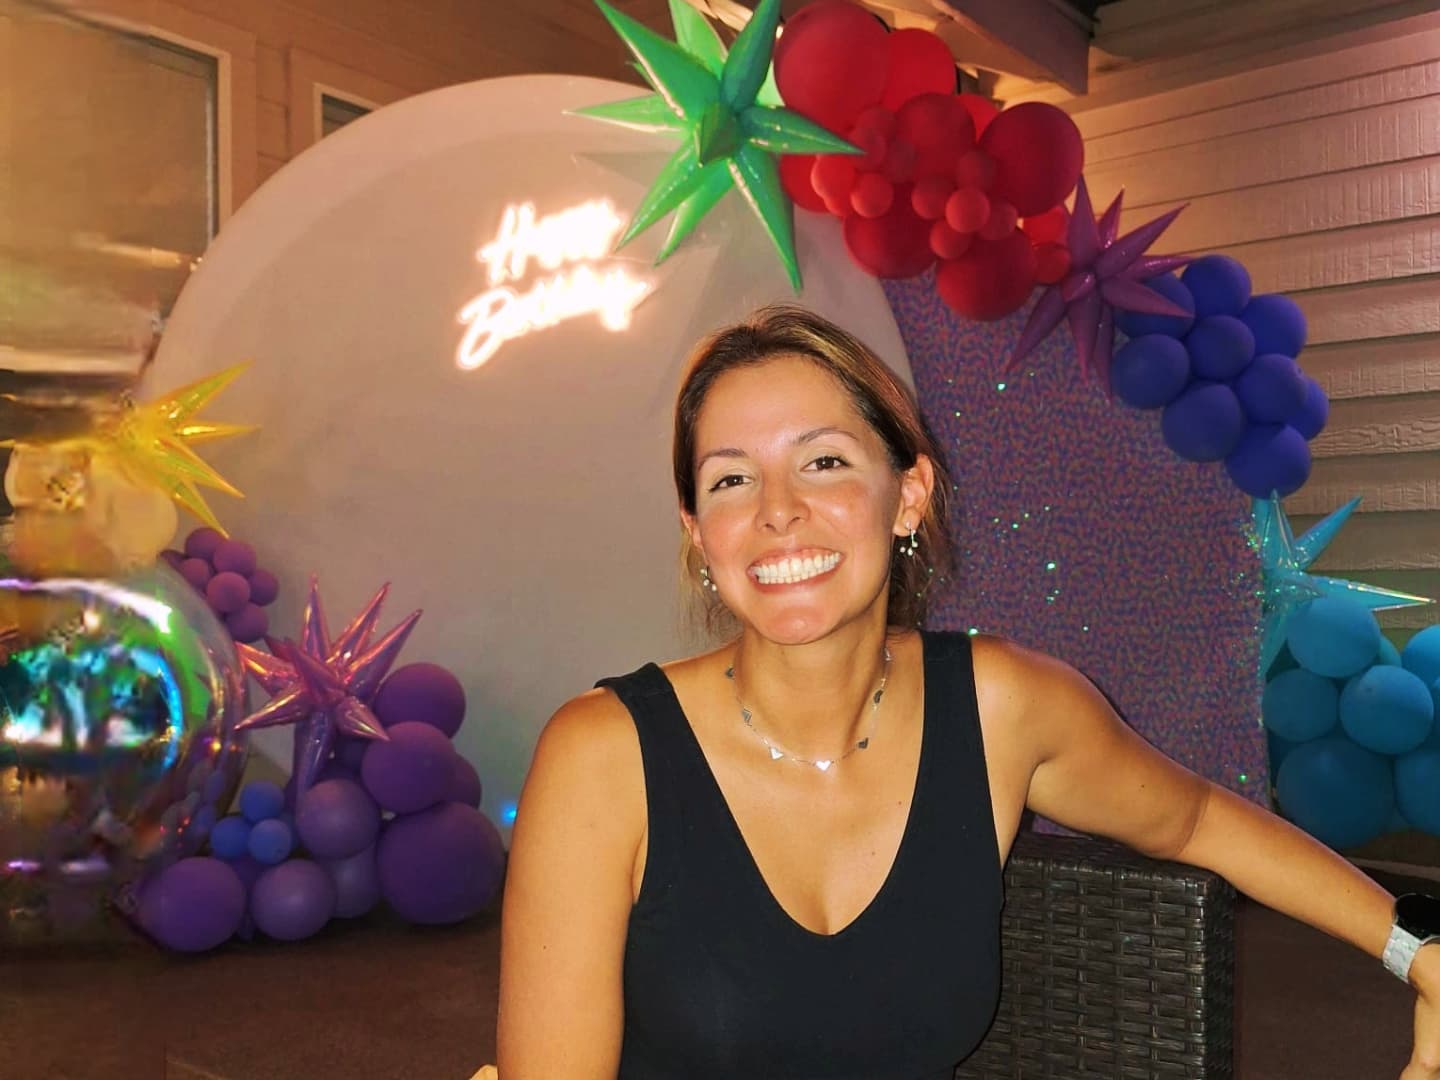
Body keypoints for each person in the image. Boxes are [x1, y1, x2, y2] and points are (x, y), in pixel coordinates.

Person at [497, 304, 1440, 1079]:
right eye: (732, 479)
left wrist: (1418, 951)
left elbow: (1193, 818)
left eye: (823, 462)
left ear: (907, 496)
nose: (777, 510)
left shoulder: (1000, 708)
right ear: (700, 534)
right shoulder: (603, 756)